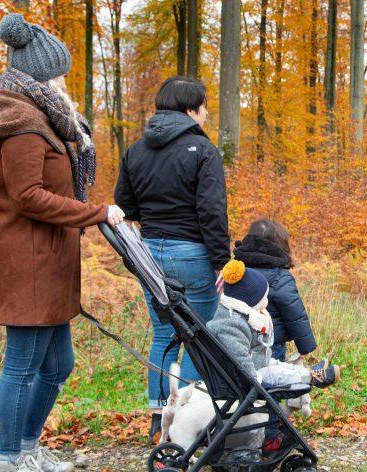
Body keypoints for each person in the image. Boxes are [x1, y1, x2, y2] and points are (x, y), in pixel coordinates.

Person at [0, 13, 125, 472]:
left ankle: (28, 447)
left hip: (50, 263)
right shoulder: (21, 124)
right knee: (21, 367)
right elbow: (28, 196)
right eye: (59, 72)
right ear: (40, 75)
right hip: (28, 263)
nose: (64, 81)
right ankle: (9, 460)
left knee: (57, 366)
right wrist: (96, 213)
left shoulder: (43, 118)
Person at [114, 76, 230, 442]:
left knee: (164, 333)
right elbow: (211, 211)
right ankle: (188, 417)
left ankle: (156, 416)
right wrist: (220, 261)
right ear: (190, 109)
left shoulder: (135, 151)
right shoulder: (203, 150)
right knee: (198, 335)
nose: (207, 112)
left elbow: (125, 205)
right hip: (192, 253)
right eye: (205, 105)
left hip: (149, 254)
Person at [207, 260, 339, 453]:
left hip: (252, 368)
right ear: (249, 301)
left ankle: (308, 372)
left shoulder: (236, 316)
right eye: (264, 299)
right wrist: (255, 379)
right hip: (246, 378)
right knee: (276, 374)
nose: (266, 302)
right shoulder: (231, 325)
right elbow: (239, 358)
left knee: (280, 366)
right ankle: (312, 377)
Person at [233, 219, 317, 361]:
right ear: (280, 245)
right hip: (270, 344)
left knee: (244, 377)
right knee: (270, 378)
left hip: (238, 341)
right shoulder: (281, 277)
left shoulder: (237, 271)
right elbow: (295, 313)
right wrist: (306, 346)